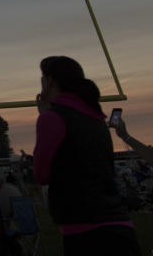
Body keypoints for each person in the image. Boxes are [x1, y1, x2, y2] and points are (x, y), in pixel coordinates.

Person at [33, 56, 140, 255]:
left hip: (85, 229)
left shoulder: (53, 118)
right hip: (120, 224)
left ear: (50, 81)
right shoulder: (96, 119)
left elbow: (41, 174)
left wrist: (44, 115)